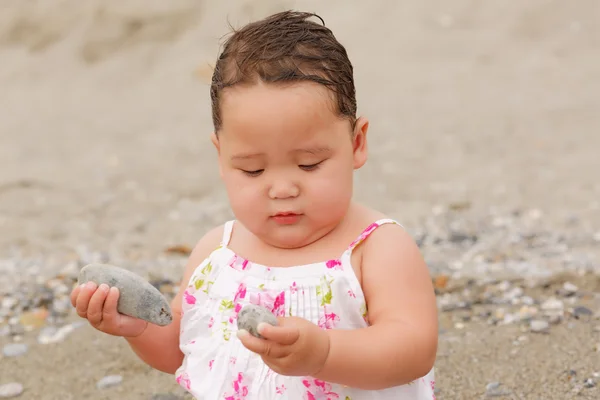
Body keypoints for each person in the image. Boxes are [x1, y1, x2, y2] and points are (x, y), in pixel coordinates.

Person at [71, 10, 438, 399]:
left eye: (309, 164)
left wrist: (324, 353)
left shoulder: (375, 248)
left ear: (357, 143)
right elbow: (184, 351)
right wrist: (139, 327)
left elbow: (413, 350)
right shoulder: (216, 253)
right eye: (252, 169)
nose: (281, 188)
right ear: (221, 157)